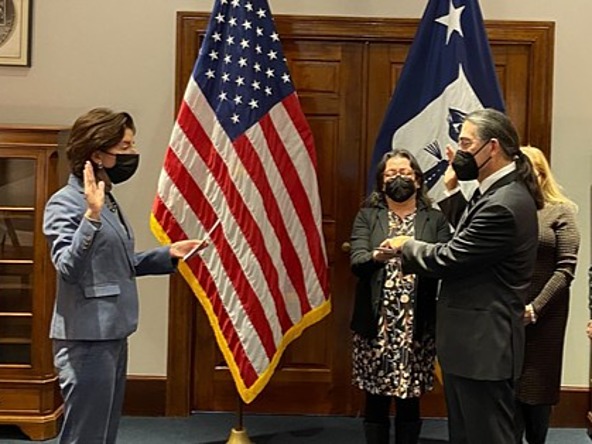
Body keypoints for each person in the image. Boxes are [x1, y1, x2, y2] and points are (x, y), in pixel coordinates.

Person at [43, 108, 208, 444]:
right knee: (85, 433)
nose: (133, 155)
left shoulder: (106, 199)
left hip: (113, 331)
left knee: (103, 432)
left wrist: (167, 254)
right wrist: (91, 217)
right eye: (124, 148)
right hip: (87, 337)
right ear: (97, 153)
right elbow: (67, 268)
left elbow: (115, 262)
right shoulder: (67, 203)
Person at [384, 108, 544, 444]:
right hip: (473, 346)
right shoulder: (496, 193)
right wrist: (452, 189)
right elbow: (466, 239)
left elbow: (453, 256)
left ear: (493, 147)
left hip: (483, 348)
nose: (458, 151)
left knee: (487, 437)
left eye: (466, 142)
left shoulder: (503, 202)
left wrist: (406, 245)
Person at [349, 149, 451, 444]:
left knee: (410, 398)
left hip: (415, 326)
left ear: (418, 180)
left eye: (405, 173)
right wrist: (378, 256)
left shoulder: (434, 219)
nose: (398, 179)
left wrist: (412, 250)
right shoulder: (368, 216)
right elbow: (357, 262)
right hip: (375, 326)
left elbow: (445, 260)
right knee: (376, 398)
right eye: (391, 174)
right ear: (381, 183)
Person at [515, 146, 580, 444]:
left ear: (542, 174)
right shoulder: (509, 208)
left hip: (545, 316)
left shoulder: (561, 210)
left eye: (529, 170)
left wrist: (535, 308)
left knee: (536, 394)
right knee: (510, 395)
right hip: (510, 314)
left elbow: (565, 269)